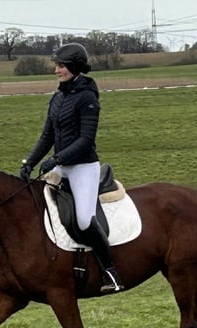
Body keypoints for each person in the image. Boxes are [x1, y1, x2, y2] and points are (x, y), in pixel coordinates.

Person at [19, 42, 123, 293]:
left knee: (85, 221)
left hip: (83, 168)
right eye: (56, 66)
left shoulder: (87, 97)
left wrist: (56, 159)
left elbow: (85, 140)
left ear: (75, 67)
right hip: (63, 166)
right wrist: (29, 162)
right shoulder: (57, 98)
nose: (57, 70)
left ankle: (111, 273)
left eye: (62, 66)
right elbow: (47, 136)